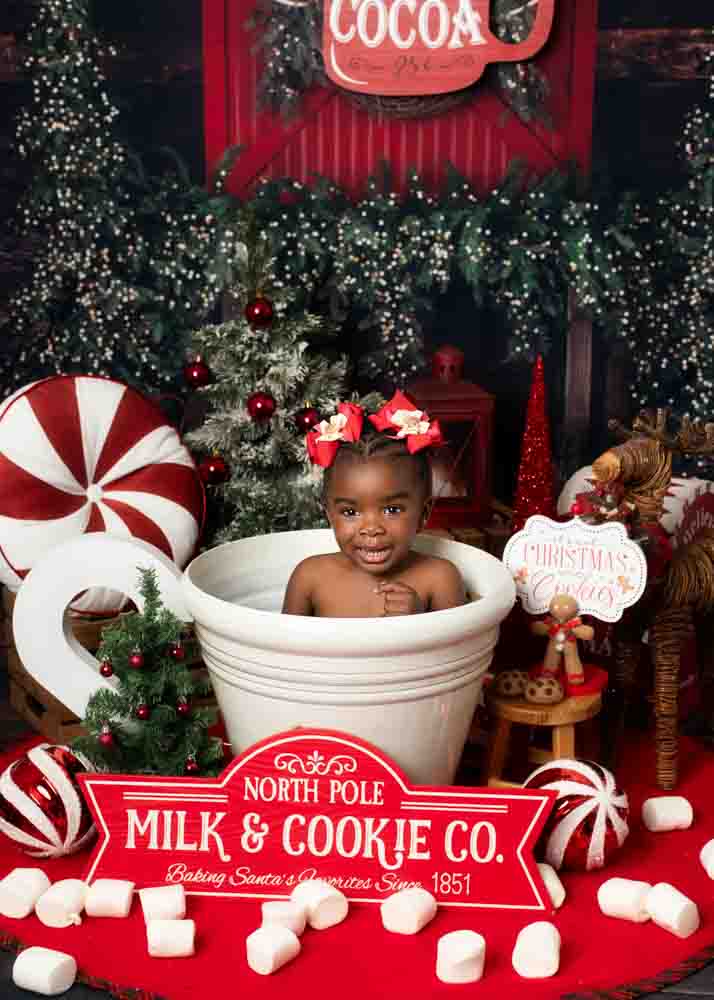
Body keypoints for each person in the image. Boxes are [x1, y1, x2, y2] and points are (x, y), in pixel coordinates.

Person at [282, 392, 467, 617]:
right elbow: (286, 648)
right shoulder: (309, 578)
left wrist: (419, 620)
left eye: (392, 510)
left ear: (423, 514)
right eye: (350, 512)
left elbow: (456, 650)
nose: (371, 528)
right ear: (329, 515)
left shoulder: (440, 579)